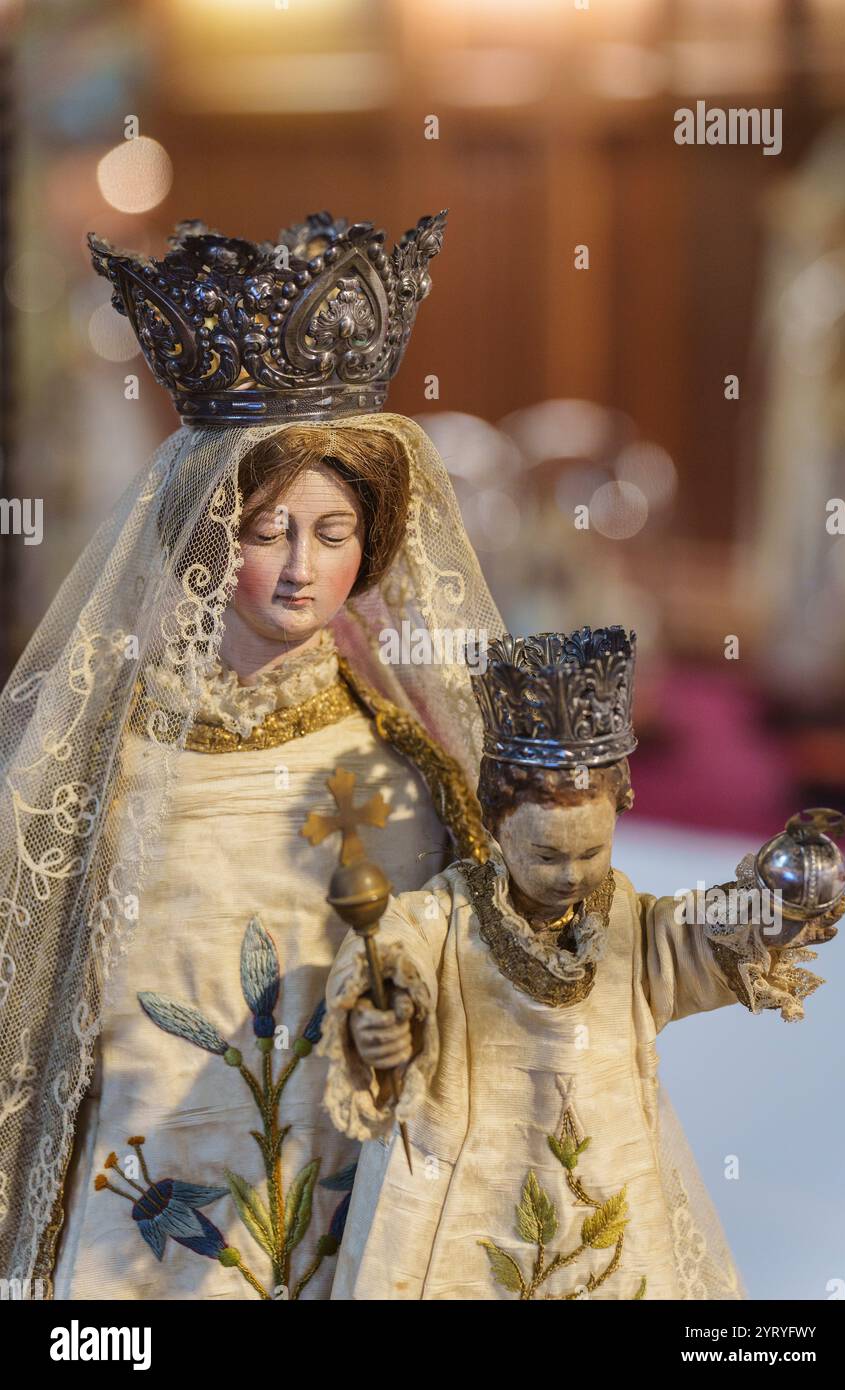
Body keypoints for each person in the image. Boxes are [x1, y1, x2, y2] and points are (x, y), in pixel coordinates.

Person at [0, 210, 504, 1299]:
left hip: (330, 1197)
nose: (298, 571)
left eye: (331, 535)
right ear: (206, 536)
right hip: (137, 1216)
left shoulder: (396, 764)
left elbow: (467, 996)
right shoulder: (112, 761)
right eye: (267, 531)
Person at [321, 628, 845, 1300]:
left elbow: (690, 940)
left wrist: (773, 907)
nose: (572, 875)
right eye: (546, 856)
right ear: (495, 819)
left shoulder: (622, 915)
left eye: (591, 852)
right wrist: (381, 1017)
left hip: (611, 1188)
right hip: (469, 1198)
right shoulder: (448, 917)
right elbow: (392, 954)